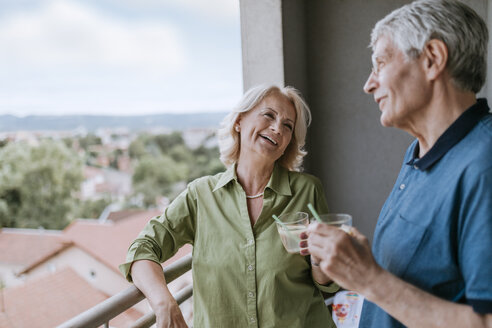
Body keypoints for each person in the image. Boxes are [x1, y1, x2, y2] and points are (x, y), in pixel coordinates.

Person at [301, 0, 492, 327]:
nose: (368, 84)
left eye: (380, 63)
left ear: (432, 59)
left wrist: (368, 278)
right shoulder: (418, 152)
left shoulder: (484, 164)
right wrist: (353, 262)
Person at [119, 84, 338, 327]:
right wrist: (164, 303)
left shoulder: (307, 190)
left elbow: (323, 281)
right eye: (269, 115)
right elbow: (142, 248)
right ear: (239, 121)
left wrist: (321, 258)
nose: (277, 128)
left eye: (287, 126)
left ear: (288, 141)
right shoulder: (201, 196)